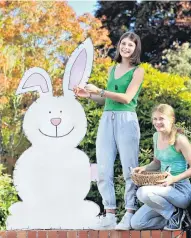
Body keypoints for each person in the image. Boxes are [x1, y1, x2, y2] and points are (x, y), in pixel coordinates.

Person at [74, 31, 144, 230]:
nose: (126, 48)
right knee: (104, 169)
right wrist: (88, 95)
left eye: (131, 45)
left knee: (129, 168)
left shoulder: (138, 71)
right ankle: (110, 214)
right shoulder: (113, 69)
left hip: (127, 120)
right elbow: (107, 99)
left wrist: (100, 91)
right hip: (107, 119)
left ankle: (129, 212)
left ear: (135, 48)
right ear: (119, 45)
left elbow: (127, 98)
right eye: (124, 43)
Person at [130, 104, 191, 231]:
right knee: (137, 223)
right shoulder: (156, 137)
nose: (157, 122)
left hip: (180, 191)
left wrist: (173, 179)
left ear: (171, 120)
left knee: (142, 192)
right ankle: (179, 220)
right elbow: (157, 162)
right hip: (163, 190)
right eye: (155, 119)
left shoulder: (180, 140)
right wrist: (144, 168)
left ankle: (175, 215)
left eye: (161, 118)